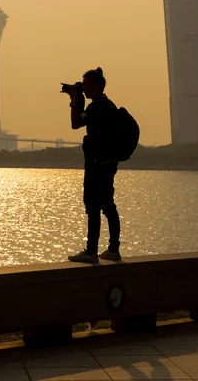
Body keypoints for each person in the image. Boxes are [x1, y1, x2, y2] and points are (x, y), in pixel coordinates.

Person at [67, 68, 121, 263]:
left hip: (97, 166)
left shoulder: (97, 107)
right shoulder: (107, 106)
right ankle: (113, 249)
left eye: (86, 85)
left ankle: (92, 251)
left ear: (96, 86)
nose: (84, 89)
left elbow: (75, 123)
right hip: (106, 164)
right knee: (107, 206)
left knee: (93, 206)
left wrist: (74, 100)